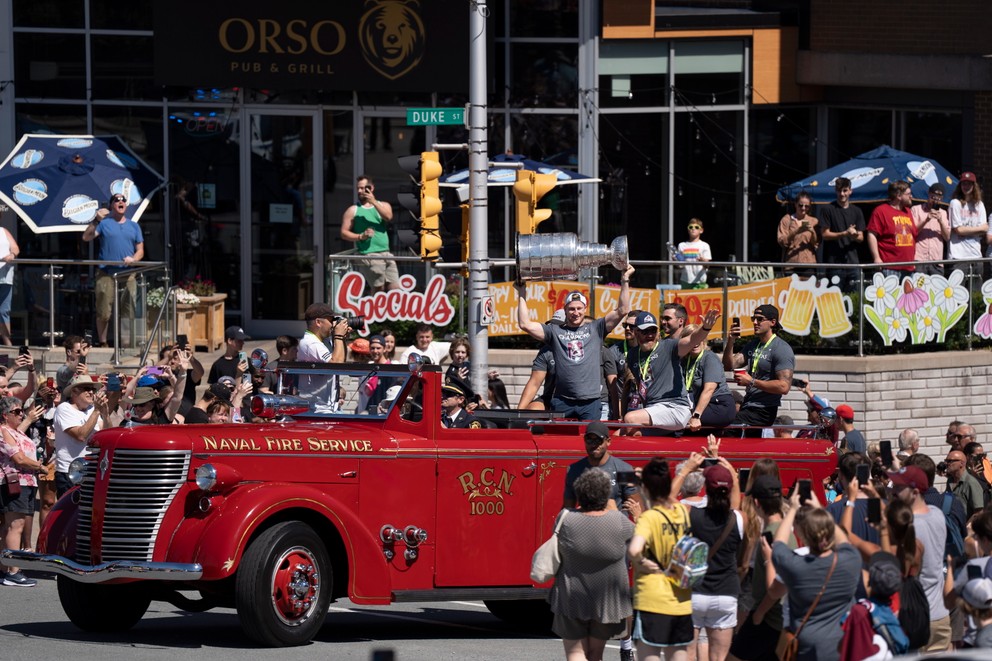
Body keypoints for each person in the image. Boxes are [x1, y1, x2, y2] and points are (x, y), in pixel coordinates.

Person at [516, 269, 634, 421]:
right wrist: (521, 292)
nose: (575, 312)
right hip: (562, 401)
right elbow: (525, 324)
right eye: (571, 309)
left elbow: (623, 309)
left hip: (591, 401)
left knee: (591, 440)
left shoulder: (596, 329)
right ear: (565, 310)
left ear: (585, 309)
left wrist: (624, 280)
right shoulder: (554, 331)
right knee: (560, 442)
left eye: (579, 308)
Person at [549, 468, 635, 661]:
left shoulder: (566, 520)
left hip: (572, 596)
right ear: (605, 494)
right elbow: (638, 542)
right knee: (596, 654)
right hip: (606, 599)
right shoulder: (619, 521)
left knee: (575, 653)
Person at [771, 490, 862, 661]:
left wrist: (792, 509)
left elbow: (778, 544)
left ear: (803, 535)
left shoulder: (795, 566)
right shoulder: (850, 560)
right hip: (843, 643)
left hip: (808, 647)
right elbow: (844, 539)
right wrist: (820, 509)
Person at [628, 456, 695, 660]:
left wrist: (644, 563)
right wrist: (682, 473)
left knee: (650, 653)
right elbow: (667, 498)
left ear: (646, 489)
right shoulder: (682, 513)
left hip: (652, 599)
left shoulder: (649, 518)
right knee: (679, 652)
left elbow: (634, 549)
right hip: (681, 598)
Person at [682, 458, 745, 661]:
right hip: (726, 593)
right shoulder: (738, 518)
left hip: (694, 592)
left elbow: (667, 502)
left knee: (689, 653)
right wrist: (732, 474)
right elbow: (735, 504)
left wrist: (685, 472)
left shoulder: (691, 514)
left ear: (705, 488)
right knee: (718, 657)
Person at [729, 475, 793, 661]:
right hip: (777, 617)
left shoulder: (772, 535)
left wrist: (759, 614)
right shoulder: (784, 530)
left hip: (768, 616)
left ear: (756, 502)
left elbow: (777, 586)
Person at [887, 465, 950, 651]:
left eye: (899, 487)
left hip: (916, 616)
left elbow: (901, 568)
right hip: (940, 614)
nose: (893, 490)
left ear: (914, 492)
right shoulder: (937, 513)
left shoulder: (910, 525)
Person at [623, 310, 719, 430]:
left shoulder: (669, 346)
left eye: (653, 330)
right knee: (619, 433)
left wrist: (705, 328)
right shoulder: (632, 355)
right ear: (636, 332)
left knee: (631, 419)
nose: (650, 335)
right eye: (645, 331)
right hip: (653, 409)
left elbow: (691, 339)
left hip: (675, 407)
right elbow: (640, 384)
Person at [81, 193, 144, 347]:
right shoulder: (104, 223)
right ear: (111, 205)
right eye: (117, 200)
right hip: (106, 273)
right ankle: (103, 343)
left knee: (128, 311)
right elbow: (86, 237)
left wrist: (134, 259)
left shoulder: (134, 225)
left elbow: (140, 250)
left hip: (127, 274)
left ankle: (126, 345)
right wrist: (96, 220)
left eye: (123, 200)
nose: (121, 201)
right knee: (103, 311)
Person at [723, 304, 795, 435]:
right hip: (749, 404)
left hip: (764, 409)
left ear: (773, 322)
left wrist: (752, 382)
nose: (755, 322)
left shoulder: (782, 348)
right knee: (748, 445)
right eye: (753, 318)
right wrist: (731, 341)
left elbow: (784, 387)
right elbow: (729, 365)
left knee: (727, 427)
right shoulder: (753, 345)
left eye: (760, 319)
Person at [0, 396, 49, 587]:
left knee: (10, 527)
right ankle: (13, 571)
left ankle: (5, 568)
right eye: (16, 412)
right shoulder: (4, 430)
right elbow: (19, 458)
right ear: (5, 415)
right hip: (15, 482)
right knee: (15, 526)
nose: (21, 414)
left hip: (25, 482)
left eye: (21, 411)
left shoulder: (13, 431)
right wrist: (40, 467)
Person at [340, 175, 399, 292]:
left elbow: (388, 217)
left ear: (371, 188)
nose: (359, 191)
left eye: (363, 188)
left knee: (395, 289)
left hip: (386, 253)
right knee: (379, 289)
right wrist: (361, 236)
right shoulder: (353, 210)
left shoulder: (384, 205)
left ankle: (389, 310)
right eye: (358, 188)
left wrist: (374, 202)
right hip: (369, 254)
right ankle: (375, 310)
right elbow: (343, 233)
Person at [53, 375, 109, 498]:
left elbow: (107, 434)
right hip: (70, 473)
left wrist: (106, 414)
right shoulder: (64, 408)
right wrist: (97, 411)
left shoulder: (92, 409)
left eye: (92, 389)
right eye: (86, 388)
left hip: (91, 471)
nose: (90, 392)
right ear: (74, 391)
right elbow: (80, 435)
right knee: (69, 514)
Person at [563, 421, 638, 512]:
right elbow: (568, 508)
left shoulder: (624, 470)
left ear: (608, 441)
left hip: (615, 524)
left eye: (598, 440)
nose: (594, 444)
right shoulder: (574, 470)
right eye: (589, 440)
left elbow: (636, 506)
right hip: (586, 523)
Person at [680, 324, 735, 432]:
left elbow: (709, 390)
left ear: (703, 339)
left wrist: (696, 416)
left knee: (681, 419)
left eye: (698, 338)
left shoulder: (709, 358)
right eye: (691, 339)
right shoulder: (685, 360)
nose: (695, 342)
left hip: (719, 405)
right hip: (700, 405)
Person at [818, 177, 865, 290]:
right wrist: (845, 233)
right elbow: (825, 235)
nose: (842, 194)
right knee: (834, 300)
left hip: (853, 263)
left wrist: (854, 235)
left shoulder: (857, 211)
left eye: (845, 190)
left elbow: (861, 237)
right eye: (839, 191)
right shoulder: (828, 209)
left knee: (855, 298)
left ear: (850, 191)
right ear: (835, 190)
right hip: (834, 264)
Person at [866, 180, 919, 276]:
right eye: (908, 194)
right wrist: (876, 257)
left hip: (909, 267)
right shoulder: (881, 211)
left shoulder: (908, 211)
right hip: (890, 267)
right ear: (899, 195)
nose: (911, 196)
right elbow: (871, 234)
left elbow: (913, 235)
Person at [947, 172, 987, 268]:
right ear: (960, 185)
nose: (966, 186)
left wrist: (964, 230)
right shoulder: (955, 203)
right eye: (964, 183)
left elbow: (985, 228)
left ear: (974, 186)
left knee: (977, 283)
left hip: (976, 255)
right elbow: (958, 230)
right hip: (958, 256)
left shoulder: (979, 205)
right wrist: (978, 229)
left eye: (969, 183)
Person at [911, 183, 950, 275]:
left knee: (936, 289)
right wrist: (926, 219)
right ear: (929, 194)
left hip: (936, 261)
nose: (935, 200)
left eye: (939, 198)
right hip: (919, 259)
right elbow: (913, 232)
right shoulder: (916, 209)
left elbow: (947, 237)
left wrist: (940, 221)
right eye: (933, 197)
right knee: (918, 289)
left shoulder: (944, 213)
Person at [777, 193, 819, 265]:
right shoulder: (787, 219)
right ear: (795, 204)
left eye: (806, 206)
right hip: (791, 262)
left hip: (809, 263)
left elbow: (815, 243)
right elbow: (782, 241)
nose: (803, 208)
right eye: (800, 205)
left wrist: (812, 232)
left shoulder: (814, 221)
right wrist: (796, 231)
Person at [945, 449, 985, 519]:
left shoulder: (971, 482)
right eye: (946, 461)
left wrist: (966, 528)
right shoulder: (950, 481)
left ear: (962, 463)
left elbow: (979, 512)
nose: (947, 464)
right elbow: (946, 507)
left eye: (950, 461)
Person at [673, 219, 712, 289]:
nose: (693, 229)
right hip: (685, 280)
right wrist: (675, 261)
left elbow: (707, 265)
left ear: (701, 230)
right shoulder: (681, 245)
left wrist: (703, 261)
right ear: (688, 230)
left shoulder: (705, 245)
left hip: (700, 281)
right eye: (691, 227)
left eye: (696, 227)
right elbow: (680, 265)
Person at [0, 226, 19, 346]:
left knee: (3, 311)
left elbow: (15, 248)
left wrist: (11, 256)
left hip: (4, 276)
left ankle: (7, 343)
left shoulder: (3, 230)